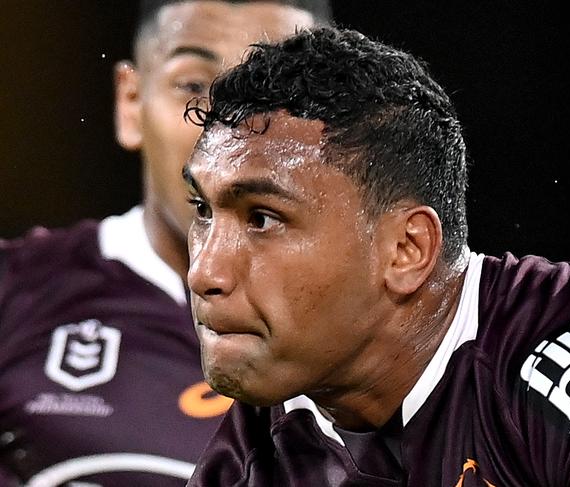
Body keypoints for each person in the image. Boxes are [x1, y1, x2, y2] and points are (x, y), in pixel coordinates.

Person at [182, 27, 570, 486]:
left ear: (407, 249)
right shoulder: (255, 454)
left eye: (262, 218)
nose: (204, 273)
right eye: (202, 210)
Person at [0, 2, 329, 486]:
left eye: (276, 91)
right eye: (194, 86)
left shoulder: (403, 338)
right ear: (131, 102)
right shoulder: (14, 296)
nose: (229, 130)